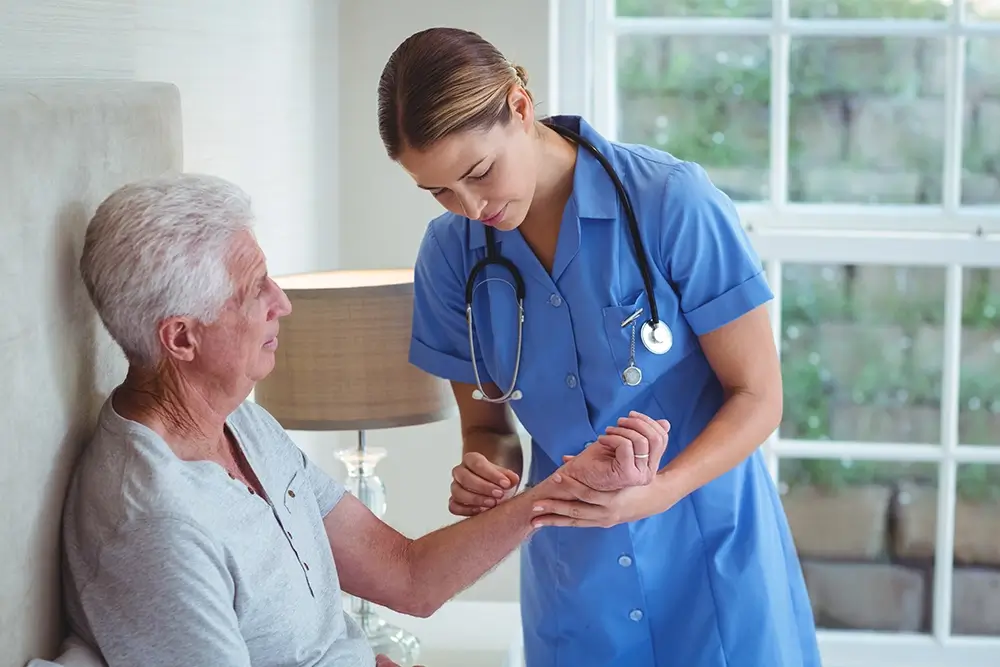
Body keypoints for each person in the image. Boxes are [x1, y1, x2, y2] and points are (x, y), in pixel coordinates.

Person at [62, 173, 669, 667]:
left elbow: (408, 577)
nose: (283, 303)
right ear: (181, 338)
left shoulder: (242, 427)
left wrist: (569, 485)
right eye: (254, 290)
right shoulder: (155, 523)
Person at [377, 27, 821, 667]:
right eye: (440, 190)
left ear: (520, 105)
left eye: (479, 172)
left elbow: (759, 396)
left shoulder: (672, 202)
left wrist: (657, 493)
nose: (469, 206)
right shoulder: (451, 256)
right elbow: (487, 426)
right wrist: (488, 470)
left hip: (711, 553)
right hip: (575, 578)